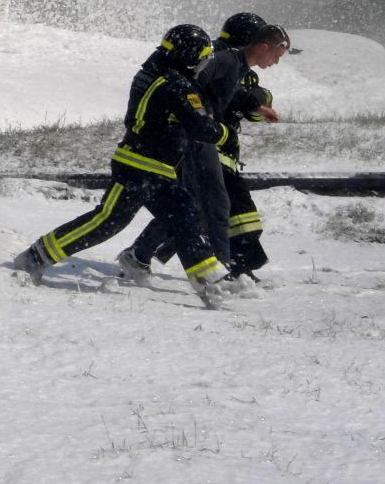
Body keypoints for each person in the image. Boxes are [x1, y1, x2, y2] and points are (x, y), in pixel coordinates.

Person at [14, 24, 231, 307]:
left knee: (185, 217)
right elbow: (200, 126)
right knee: (107, 221)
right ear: (189, 57)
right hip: (138, 166)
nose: (203, 65)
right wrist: (225, 133)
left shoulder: (158, 73)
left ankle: (208, 281)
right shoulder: (174, 84)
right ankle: (36, 256)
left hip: (158, 169)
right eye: (202, 58)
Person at [123, 15, 287, 285]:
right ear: (260, 45)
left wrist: (255, 104)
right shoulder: (223, 59)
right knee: (211, 207)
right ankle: (223, 272)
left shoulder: (238, 65)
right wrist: (201, 114)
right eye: (276, 54)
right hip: (201, 142)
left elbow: (233, 95)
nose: (277, 62)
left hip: (209, 143)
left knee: (195, 206)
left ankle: (142, 255)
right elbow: (193, 85)